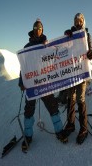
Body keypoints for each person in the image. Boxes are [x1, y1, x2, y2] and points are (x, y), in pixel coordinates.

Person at [18, 18, 67, 151]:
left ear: (42, 30)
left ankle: (59, 131)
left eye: (40, 28)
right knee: (29, 110)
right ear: (33, 30)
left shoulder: (47, 45)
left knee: (52, 106)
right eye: (36, 28)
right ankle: (28, 136)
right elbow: (24, 67)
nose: (38, 30)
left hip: (45, 83)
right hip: (32, 84)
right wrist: (22, 81)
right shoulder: (27, 48)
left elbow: (54, 61)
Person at [62, 13, 92, 144]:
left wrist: (90, 53)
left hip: (81, 72)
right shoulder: (70, 34)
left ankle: (84, 129)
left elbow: (90, 50)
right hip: (71, 72)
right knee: (71, 98)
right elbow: (64, 49)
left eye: (80, 20)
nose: (78, 22)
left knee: (80, 99)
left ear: (83, 22)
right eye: (76, 20)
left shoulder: (87, 35)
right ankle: (70, 124)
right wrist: (66, 36)